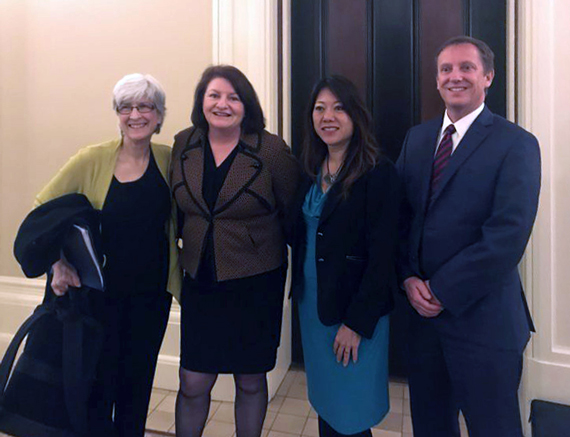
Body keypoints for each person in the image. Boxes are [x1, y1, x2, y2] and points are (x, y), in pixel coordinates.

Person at [397, 36, 541, 437]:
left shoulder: (516, 144)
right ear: (437, 79)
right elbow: (402, 219)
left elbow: (507, 236)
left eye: (466, 68)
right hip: (423, 323)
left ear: (488, 77)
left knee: (493, 428)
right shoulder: (418, 139)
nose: (454, 76)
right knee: (431, 426)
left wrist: (440, 289)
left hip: (485, 324)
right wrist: (409, 279)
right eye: (446, 69)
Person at [35, 73, 181, 437]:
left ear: (159, 115)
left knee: (138, 384)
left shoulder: (170, 159)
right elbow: (41, 213)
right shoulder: (92, 160)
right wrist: (58, 263)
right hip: (100, 297)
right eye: (125, 107)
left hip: (152, 295)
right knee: (99, 386)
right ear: (117, 114)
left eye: (145, 106)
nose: (135, 114)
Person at [170, 65, 300, 437]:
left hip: (255, 283)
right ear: (202, 101)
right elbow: (176, 210)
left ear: (247, 105)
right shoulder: (184, 144)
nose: (222, 104)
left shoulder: (271, 150)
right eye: (214, 95)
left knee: (250, 380)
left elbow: (292, 212)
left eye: (233, 97)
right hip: (201, 280)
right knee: (193, 382)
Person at [290, 76, 400, 437]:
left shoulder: (377, 172)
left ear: (356, 115)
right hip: (314, 307)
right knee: (327, 403)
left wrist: (356, 323)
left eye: (339, 107)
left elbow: (384, 256)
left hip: (353, 312)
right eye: (319, 108)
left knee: (351, 411)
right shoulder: (309, 169)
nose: (328, 116)